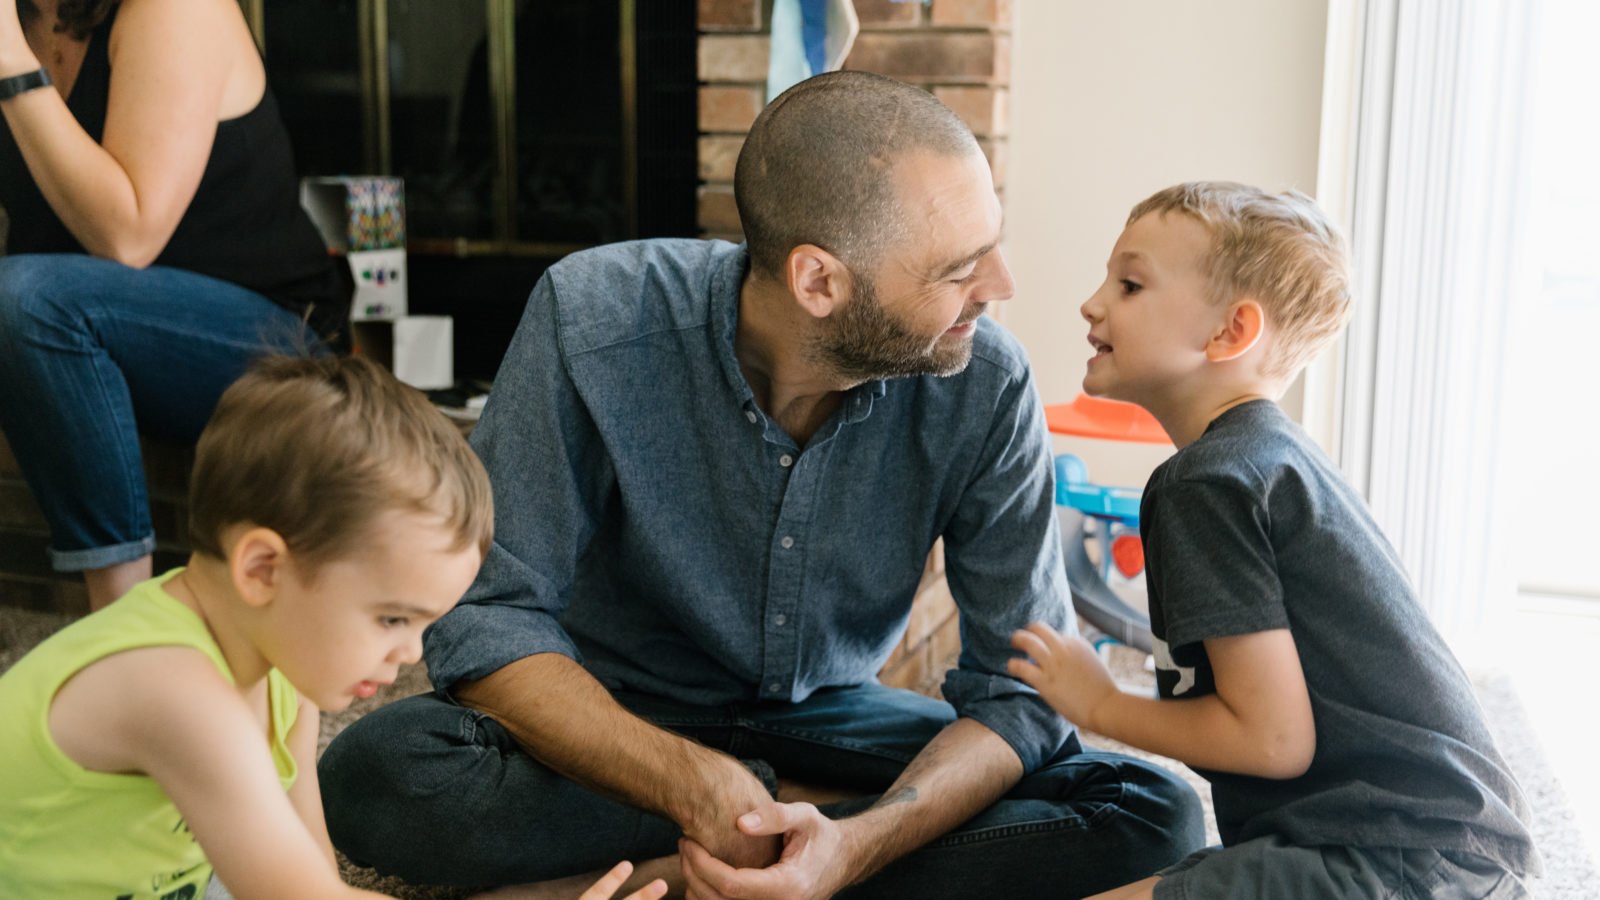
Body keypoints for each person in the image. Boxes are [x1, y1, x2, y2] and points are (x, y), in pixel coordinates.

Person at [318, 70, 1204, 898]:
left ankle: (736, 866)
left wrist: (856, 844)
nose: (1001, 288)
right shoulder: (591, 317)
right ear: (818, 280)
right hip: (616, 721)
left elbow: (1017, 689)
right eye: (958, 268)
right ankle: (768, 839)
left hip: (835, 724)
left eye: (993, 246)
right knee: (382, 773)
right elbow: (489, 619)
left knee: (1152, 809)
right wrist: (693, 783)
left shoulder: (985, 381)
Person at [1007, 182, 1541, 899]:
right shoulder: (1268, 456)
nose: (1092, 302)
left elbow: (1273, 741)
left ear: (1230, 332)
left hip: (1393, 859)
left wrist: (1102, 705)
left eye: (1130, 284)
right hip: (1449, 853)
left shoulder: (1208, 482)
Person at [0, 354, 667, 900]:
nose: (410, 655)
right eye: (391, 617)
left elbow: (313, 878)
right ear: (262, 568)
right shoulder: (172, 688)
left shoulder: (279, 668)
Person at [0, 0, 350, 611]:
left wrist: (9, 63)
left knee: (24, 296)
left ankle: (120, 624)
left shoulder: (172, 8)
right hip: (84, 333)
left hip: (269, 342)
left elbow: (128, 235)